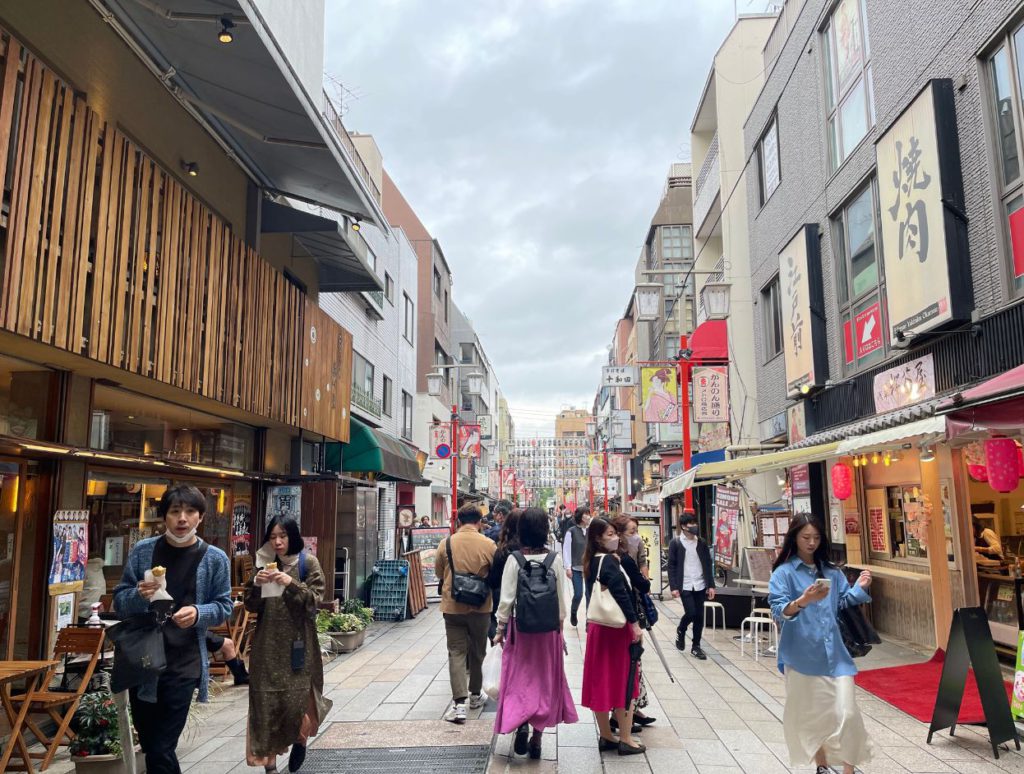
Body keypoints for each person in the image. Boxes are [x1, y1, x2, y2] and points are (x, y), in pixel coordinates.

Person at [114, 485, 232, 774]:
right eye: (175, 511)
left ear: (200, 517)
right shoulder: (144, 551)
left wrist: (198, 613)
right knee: (154, 746)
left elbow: (224, 605)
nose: (182, 518)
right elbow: (120, 600)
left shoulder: (215, 558)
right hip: (144, 661)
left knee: (163, 745)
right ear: (164, 516)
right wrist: (137, 595)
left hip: (184, 662)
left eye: (190, 511)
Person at [768, 515, 873, 774]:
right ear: (794, 537)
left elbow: (841, 602)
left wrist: (859, 588)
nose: (812, 542)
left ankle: (849, 770)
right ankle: (822, 765)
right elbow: (779, 610)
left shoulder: (832, 572)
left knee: (848, 714)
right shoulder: (784, 573)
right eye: (806, 537)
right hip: (802, 656)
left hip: (836, 655)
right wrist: (803, 599)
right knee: (812, 717)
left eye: (816, 537)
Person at [245, 515, 332, 773]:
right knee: (265, 706)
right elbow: (250, 604)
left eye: (282, 536)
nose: (278, 542)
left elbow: (314, 600)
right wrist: (256, 584)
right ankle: (269, 767)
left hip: (299, 644)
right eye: (272, 537)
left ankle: (300, 740)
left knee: (297, 703)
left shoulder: (308, 563)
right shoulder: (263, 563)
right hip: (266, 645)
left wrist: (290, 582)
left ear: (293, 536)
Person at [493, 508, 578, 758]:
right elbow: (562, 600)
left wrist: (500, 629)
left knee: (519, 678)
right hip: (548, 631)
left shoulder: (515, 559)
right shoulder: (554, 559)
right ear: (544, 528)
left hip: (522, 630)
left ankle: (521, 722)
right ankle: (538, 739)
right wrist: (560, 630)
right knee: (545, 681)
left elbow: (506, 600)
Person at [581, 517, 645, 756]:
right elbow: (622, 594)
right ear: (598, 538)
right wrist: (635, 624)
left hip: (598, 627)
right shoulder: (608, 561)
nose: (615, 538)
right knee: (624, 681)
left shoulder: (591, 561)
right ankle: (626, 739)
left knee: (601, 681)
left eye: (614, 533)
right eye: (609, 534)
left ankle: (607, 735)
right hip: (617, 630)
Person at [435, 504, 496, 723]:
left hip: (453, 606)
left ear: (458, 522)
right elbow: (495, 574)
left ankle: (459, 704)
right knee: (478, 652)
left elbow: (439, 572)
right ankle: (476, 694)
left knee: (456, 652)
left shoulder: (447, 543)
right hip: (480, 606)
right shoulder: (489, 544)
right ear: (479, 522)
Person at [609, 517, 657, 733]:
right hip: (628, 617)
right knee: (631, 665)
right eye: (631, 532)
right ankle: (623, 714)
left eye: (637, 531)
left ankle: (630, 711)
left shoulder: (607, 557)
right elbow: (643, 583)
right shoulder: (623, 559)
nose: (636, 536)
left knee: (632, 665)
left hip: (612, 618)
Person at [667, 513, 716, 660]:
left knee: (699, 616)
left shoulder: (701, 542)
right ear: (683, 526)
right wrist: (674, 586)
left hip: (700, 584)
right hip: (685, 584)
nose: (694, 526)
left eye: (695, 523)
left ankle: (696, 646)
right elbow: (671, 566)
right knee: (691, 612)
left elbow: (707, 564)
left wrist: (711, 585)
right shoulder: (675, 543)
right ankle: (681, 629)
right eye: (690, 524)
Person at [487, 508, 524, 642]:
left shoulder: (503, 551)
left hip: (504, 599)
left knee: (507, 638)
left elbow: (494, 580)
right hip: (529, 602)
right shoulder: (532, 550)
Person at [561, 506, 591, 627]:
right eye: (586, 514)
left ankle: (589, 620)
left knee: (589, 594)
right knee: (578, 593)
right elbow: (566, 550)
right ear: (580, 517)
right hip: (576, 567)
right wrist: (568, 567)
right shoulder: (571, 531)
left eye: (588, 514)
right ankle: (574, 612)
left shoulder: (591, 531)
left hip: (589, 567)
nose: (588, 516)